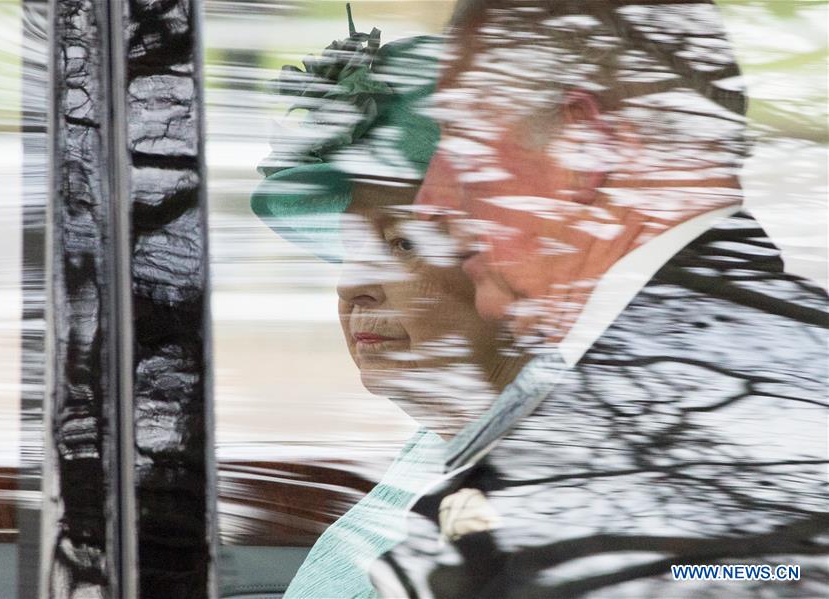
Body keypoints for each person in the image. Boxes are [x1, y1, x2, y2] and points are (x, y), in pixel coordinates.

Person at [371, 1, 829, 597]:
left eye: (461, 141)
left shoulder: (647, 421)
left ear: (582, 146)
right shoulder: (762, 359)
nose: (430, 203)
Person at [245, 18, 524, 598]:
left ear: (514, 262)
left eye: (401, 244)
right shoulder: (442, 444)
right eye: (352, 248)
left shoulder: (541, 473)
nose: (351, 286)